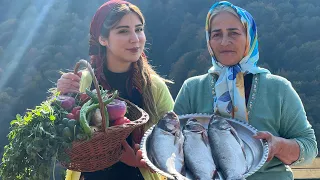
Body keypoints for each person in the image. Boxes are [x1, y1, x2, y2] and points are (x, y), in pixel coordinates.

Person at [173, 1, 318, 179]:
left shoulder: (278, 88)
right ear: (208, 40)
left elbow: (309, 148)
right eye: (216, 34)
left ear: (249, 36)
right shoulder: (192, 88)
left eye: (234, 33)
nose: (225, 41)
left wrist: (278, 145)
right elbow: (171, 142)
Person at [57, 1, 174, 180]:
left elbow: (174, 145)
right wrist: (61, 96)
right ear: (103, 39)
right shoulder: (83, 81)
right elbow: (60, 133)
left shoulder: (154, 87)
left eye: (139, 29)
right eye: (123, 31)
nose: (135, 38)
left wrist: (144, 158)